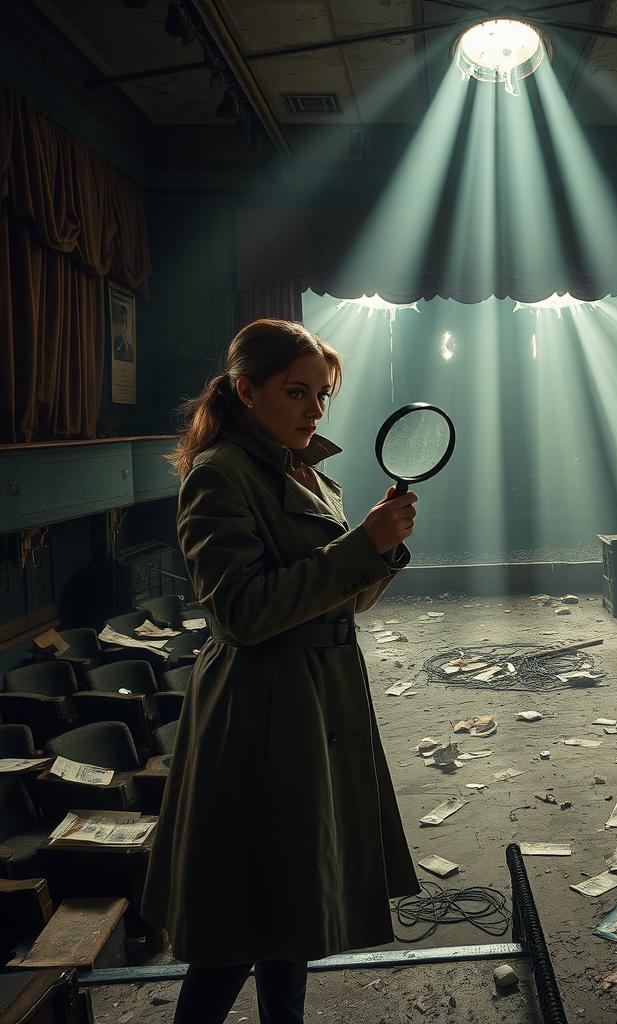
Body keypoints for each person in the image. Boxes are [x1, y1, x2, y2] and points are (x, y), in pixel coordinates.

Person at [141, 318, 421, 1024]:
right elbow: (241, 611)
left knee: (292, 918)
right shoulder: (219, 475)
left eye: (322, 395)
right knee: (236, 928)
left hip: (318, 702)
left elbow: (341, 596)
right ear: (246, 391)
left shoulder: (310, 473)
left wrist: (379, 552)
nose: (314, 410)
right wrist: (361, 548)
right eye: (297, 393)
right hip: (260, 710)